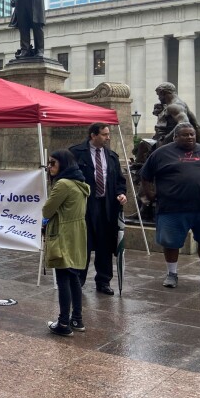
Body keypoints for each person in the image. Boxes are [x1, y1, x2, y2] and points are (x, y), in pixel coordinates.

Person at [139, 122, 200, 290]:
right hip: (173, 207)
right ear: (175, 137)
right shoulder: (162, 153)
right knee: (171, 242)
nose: (190, 137)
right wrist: (150, 195)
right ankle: (172, 273)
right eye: (185, 135)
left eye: (192, 134)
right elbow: (145, 176)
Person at [69, 123, 127, 295]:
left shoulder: (111, 156)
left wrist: (121, 193)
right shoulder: (75, 153)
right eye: (104, 134)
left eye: (108, 134)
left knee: (105, 244)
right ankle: (78, 280)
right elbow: (65, 176)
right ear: (93, 135)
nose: (108, 137)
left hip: (107, 206)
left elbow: (120, 181)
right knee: (83, 243)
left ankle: (103, 281)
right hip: (84, 205)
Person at [42, 150, 90, 336]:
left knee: (63, 278)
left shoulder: (63, 184)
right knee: (73, 277)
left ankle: (63, 322)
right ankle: (77, 319)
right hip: (77, 232)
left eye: (53, 163)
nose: (49, 166)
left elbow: (47, 210)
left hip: (63, 233)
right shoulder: (80, 183)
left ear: (64, 164)